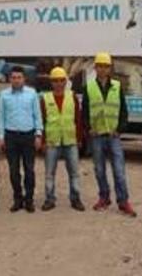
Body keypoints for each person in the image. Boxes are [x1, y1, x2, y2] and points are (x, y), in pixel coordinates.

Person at [82, 52, 137, 217]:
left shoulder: (117, 86)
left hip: (113, 136)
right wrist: (88, 128)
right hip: (97, 135)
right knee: (99, 170)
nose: (102, 69)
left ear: (109, 68)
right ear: (95, 67)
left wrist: (120, 129)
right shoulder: (89, 87)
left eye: (105, 66)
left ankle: (123, 201)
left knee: (119, 171)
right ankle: (104, 198)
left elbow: (123, 111)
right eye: (99, 66)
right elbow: (84, 111)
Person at [0, 65, 43, 213]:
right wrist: (1, 137)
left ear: (24, 79)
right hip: (11, 137)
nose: (16, 80)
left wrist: (38, 134)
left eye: (19, 77)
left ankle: (29, 200)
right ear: (10, 79)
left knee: (29, 170)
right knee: (13, 171)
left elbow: (37, 115)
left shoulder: (32, 93)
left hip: (28, 136)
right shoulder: (4, 95)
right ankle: (18, 199)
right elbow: (1, 118)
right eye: (14, 77)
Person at [40, 67, 85, 212]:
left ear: (66, 82)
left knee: (74, 173)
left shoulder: (72, 97)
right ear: (51, 82)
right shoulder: (45, 99)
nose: (59, 83)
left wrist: (79, 138)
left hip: (70, 140)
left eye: (61, 80)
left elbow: (78, 120)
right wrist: (43, 141)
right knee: (49, 174)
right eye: (55, 81)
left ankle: (75, 199)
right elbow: (42, 121)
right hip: (52, 142)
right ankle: (49, 199)